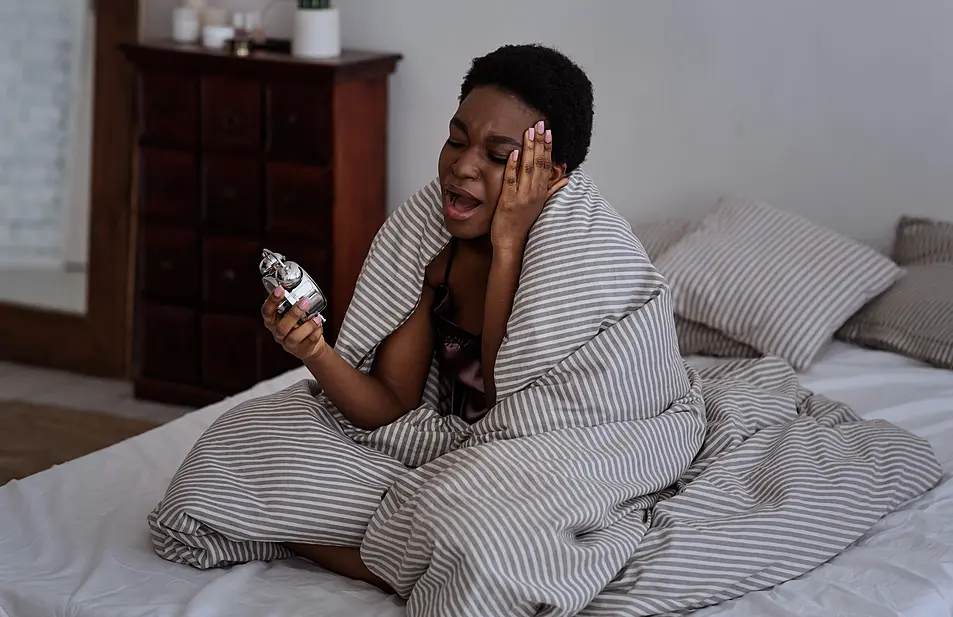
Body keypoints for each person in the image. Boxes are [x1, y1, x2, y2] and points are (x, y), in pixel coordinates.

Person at [256, 43, 594, 590]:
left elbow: (513, 397)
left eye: (496, 154)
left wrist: (509, 242)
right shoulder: (429, 243)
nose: (462, 166)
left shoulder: (573, 255)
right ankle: (423, 566)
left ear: (548, 175)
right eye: (457, 140)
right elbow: (390, 404)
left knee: (482, 530)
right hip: (452, 453)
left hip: (539, 459)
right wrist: (313, 351)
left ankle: (415, 564)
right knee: (248, 442)